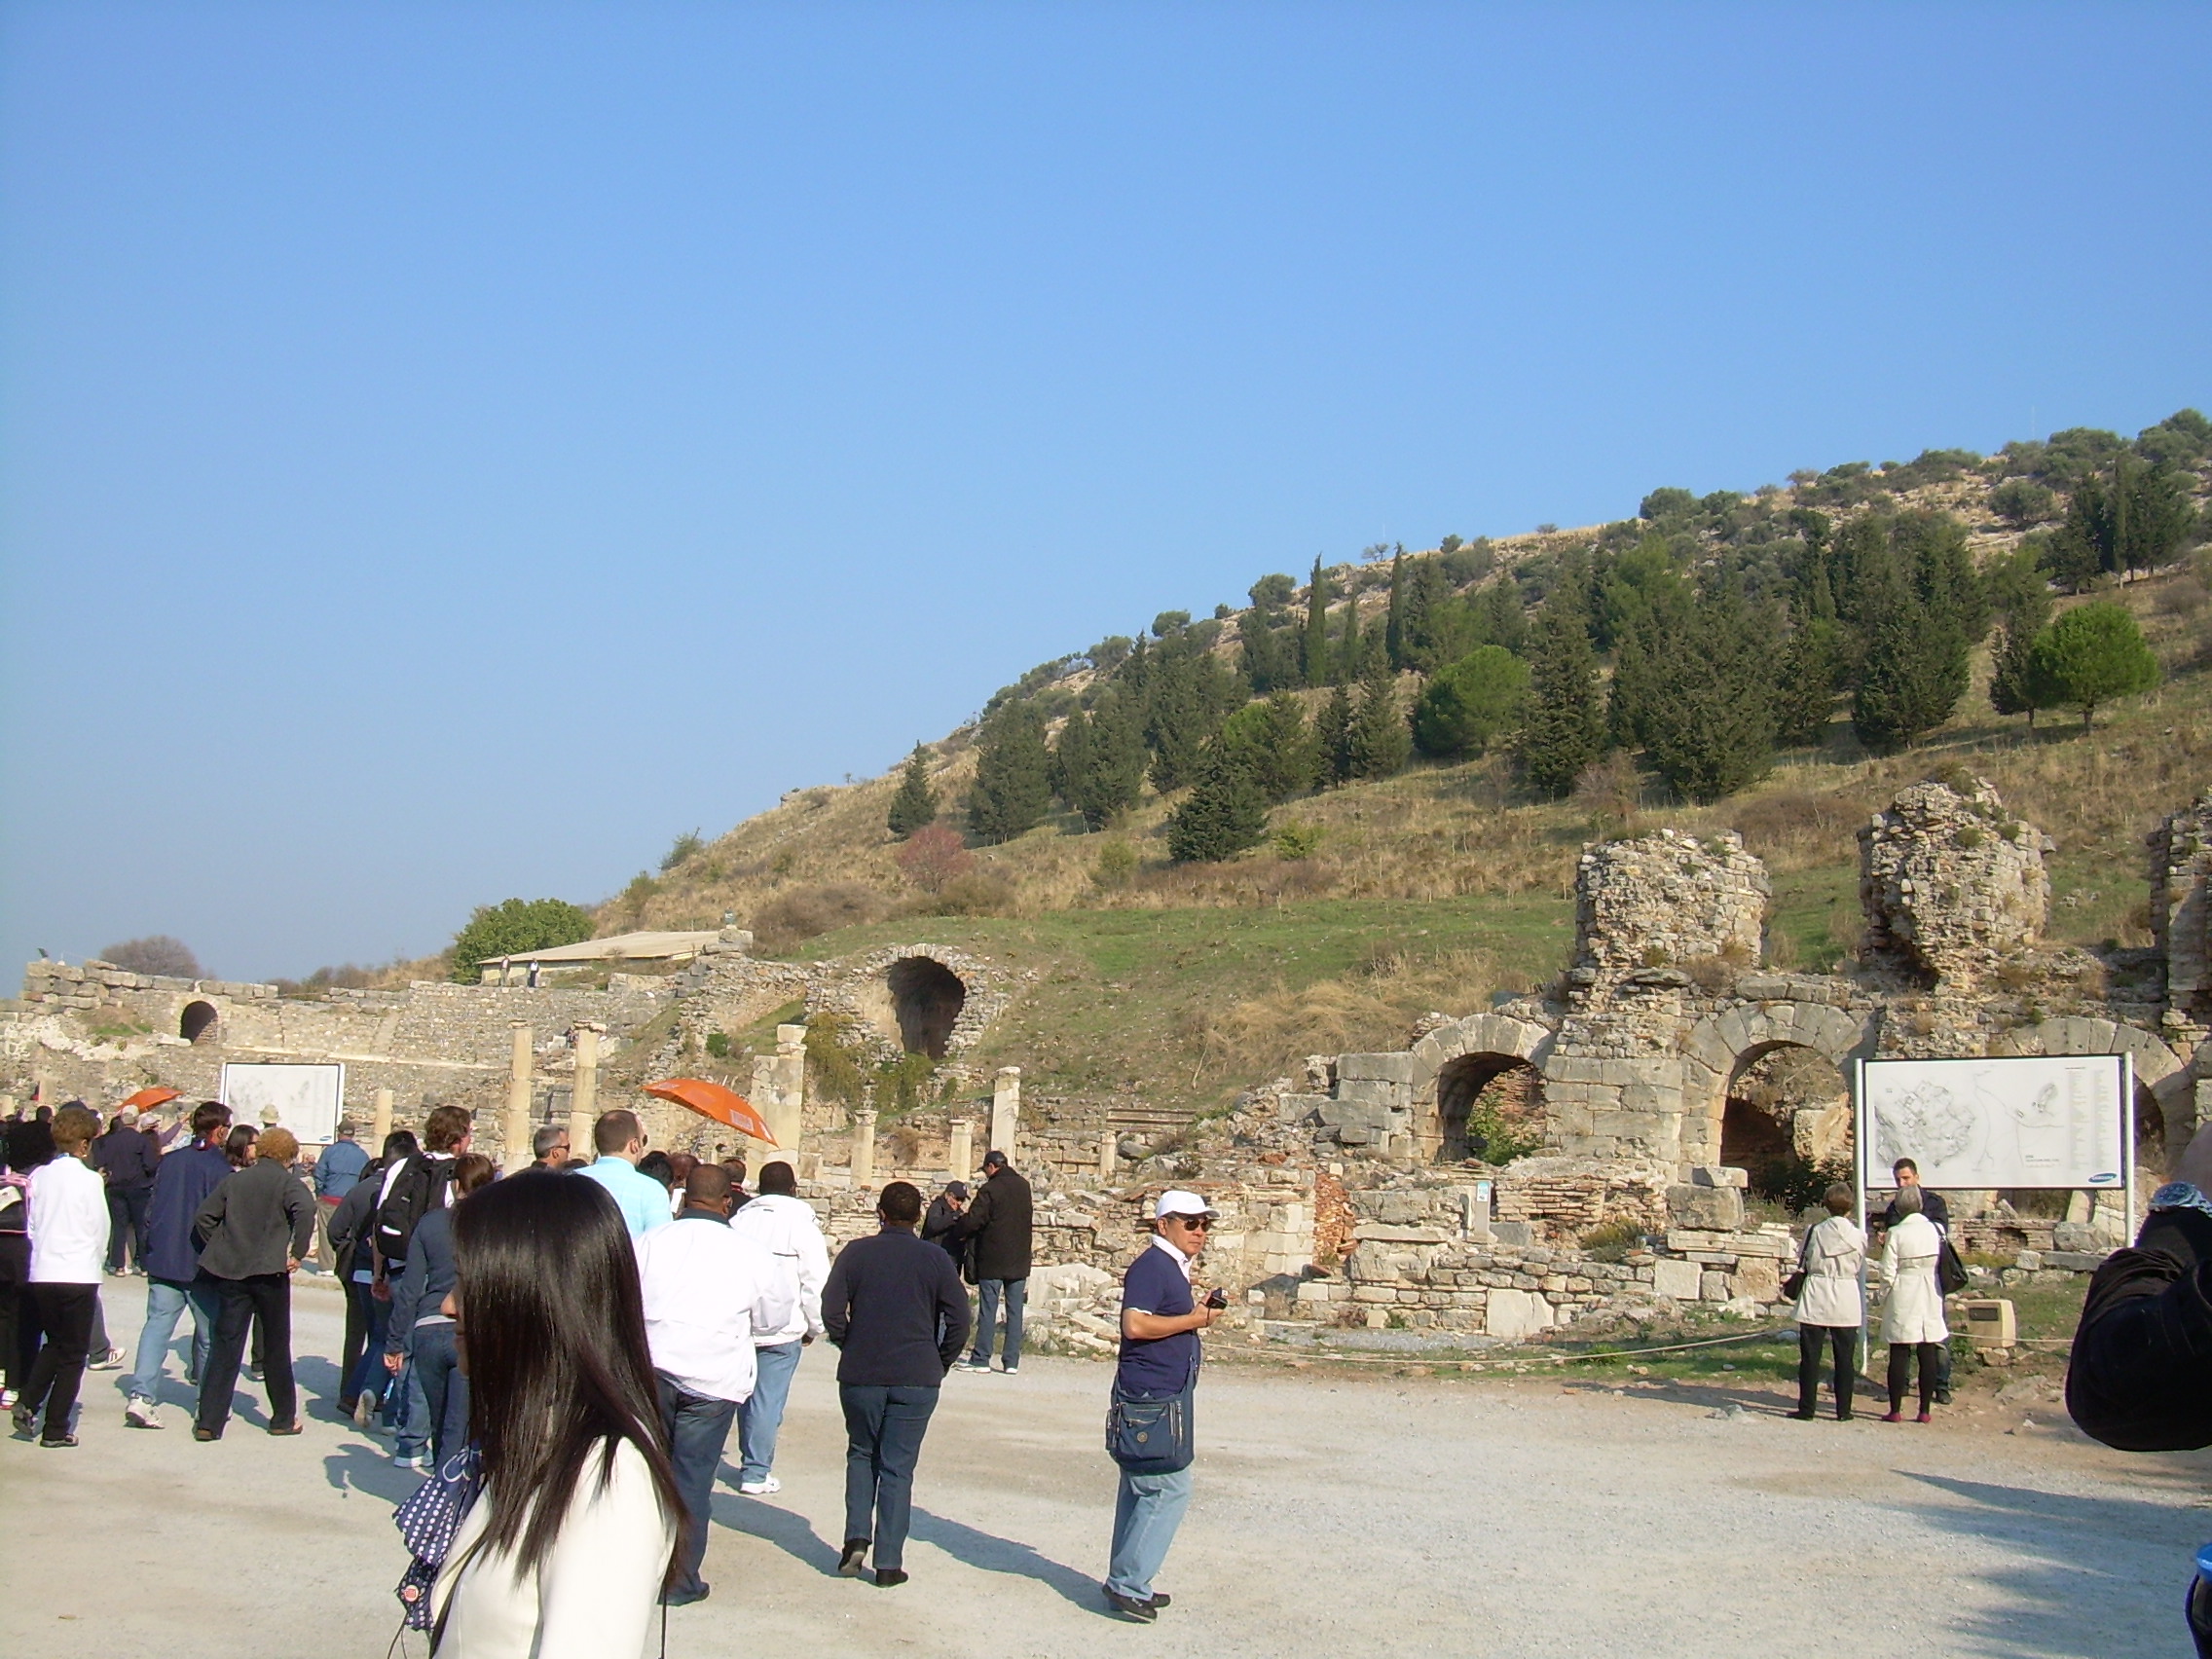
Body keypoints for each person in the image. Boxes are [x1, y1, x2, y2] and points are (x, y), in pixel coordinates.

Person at [428, 1170, 681, 1656]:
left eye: (467, 1283)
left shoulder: (608, 1478)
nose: (448, 1306)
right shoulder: (537, 1441)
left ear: (527, 1296)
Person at [635, 1164, 797, 1605]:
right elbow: (775, 1319)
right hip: (713, 1378)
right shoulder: (751, 1254)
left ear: (684, 1196)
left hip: (653, 1370)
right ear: (728, 1202)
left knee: (647, 1475)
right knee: (692, 1478)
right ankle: (680, 1579)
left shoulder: (649, 1243)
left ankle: (636, 1571)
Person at [821, 1180, 970, 1587]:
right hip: (916, 1375)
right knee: (898, 1467)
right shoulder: (935, 1258)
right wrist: (940, 1360)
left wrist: (849, 1342)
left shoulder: (856, 1253)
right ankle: (888, 1563)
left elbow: (831, 1309)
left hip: (862, 1372)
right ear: (919, 1216)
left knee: (861, 1453)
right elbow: (960, 1318)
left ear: (880, 1214)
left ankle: (856, 1537)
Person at [1102, 1189, 1219, 1622]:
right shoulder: (1153, 1266)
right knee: (1168, 1487)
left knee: (1142, 1487)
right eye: (1190, 1223)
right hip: (1151, 1395)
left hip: (1160, 1393)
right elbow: (1134, 1324)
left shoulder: (1169, 1266)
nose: (1199, 1231)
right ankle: (1128, 1583)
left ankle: (1129, 1579)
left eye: (1204, 1223)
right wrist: (1194, 1320)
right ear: (1163, 1224)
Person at [191, 1125, 316, 1440]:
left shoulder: (235, 1180)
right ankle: (282, 1418)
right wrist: (297, 1251)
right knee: (275, 1347)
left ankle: (209, 1421)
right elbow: (306, 1209)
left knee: (225, 1346)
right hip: (271, 1272)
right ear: (289, 1156)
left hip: (233, 1271)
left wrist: (221, 1245)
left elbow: (204, 1217)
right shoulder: (287, 1183)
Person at [124, 1101, 233, 1429]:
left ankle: (141, 1396)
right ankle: (207, 1402)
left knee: (156, 1328)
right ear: (220, 1130)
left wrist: (149, 1247)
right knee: (209, 1336)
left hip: (164, 1256)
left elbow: (151, 1208)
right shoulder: (220, 1169)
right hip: (201, 1263)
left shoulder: (170, 1161)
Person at [385, 1152, 495, 1471]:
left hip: (429, 1326)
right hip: (472, 1329)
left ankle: (439, 1481)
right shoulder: (495, 1226)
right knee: (459, 1429)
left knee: (438, 1423)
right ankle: (450, 1491)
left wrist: (395, 1342)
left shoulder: (431, 1223)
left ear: (456, 1184)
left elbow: (410, 1289)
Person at [726, 1158, 830, 1496]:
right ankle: (756, 1471)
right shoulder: (802, 1226)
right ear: (793, 1189)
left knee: (744, 1398)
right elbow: (815, 1281)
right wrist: (815, 1326)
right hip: (783, 1328)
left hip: (741, 1323)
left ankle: (749, 1460)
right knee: (768, 1401)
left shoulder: (739, 1221)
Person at [15, 1105, 109, 1446]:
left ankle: (29, 1399)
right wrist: (97, 1261)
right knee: (73, 1355)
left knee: (55, 1342)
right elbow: (100, 1228)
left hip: (44, 1271)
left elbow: (31, 1224)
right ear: (84, 1145)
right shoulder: (90, 1180)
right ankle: (56, 1427)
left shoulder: (40, 1176)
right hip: (78, 1272)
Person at [329, 1129, 414, 1422]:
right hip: (389, 1271)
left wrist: (346, 1249)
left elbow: (334, 1230)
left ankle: (350, 1392)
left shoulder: (360, 1189)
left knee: (360, 1335)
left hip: (360, 1272)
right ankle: (373, 1396)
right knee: (389, 1337)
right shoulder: (408, 1191)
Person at [950, 1150, 1032, 1375]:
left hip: (993, 1258)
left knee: (988, 1308)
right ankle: (1011, 1361)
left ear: (991, 1167)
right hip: (1019, 1259)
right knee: (1015, 1311)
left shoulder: (991, 1189)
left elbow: (975, 1220)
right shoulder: (1024, 1186)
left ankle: (981, 1358)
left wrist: (959, 1231)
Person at [1788, 1183, 1864, 1422]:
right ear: (1850, 1207)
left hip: (1817, 1290)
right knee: (1845, 1357)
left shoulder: (1815, 1231)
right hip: (1846, 1291)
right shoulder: (1859, 1235)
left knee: (1810, 1356)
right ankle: (1844, 1409)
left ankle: (1807, 1407)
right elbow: (1859, 1261)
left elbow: (1804, 1258)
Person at [1880, 1158, 1953, 1403]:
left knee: (1934, 1339)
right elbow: (1891, 1236)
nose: (1902, 1183)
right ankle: (1901, 1387)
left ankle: (1940, 1386)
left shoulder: (1934, 1203)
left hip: (1930, 1279)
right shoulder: (1894, 1207)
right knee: (1903, 1338)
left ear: (1917, 1177)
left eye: (1906, 1178)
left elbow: (1941, 1233)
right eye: (1898, 1180)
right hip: (1906, 1281)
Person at [577, 1110, 672, 1238]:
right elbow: (659, 1244)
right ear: (634, 1145)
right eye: (643, 1140)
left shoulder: (569, 1181)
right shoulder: (653, 1191)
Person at [93, 1106, 159, 1274]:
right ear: (136, 1121)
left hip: (116, 1186)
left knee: (119, 1226)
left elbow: (102, 1161)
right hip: (138, 1187)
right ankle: (144, 1265)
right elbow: (151, 1164)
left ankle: (118, 1265)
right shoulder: (141, 1140)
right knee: (140, 1226)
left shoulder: (111, 1140)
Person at [921, 1182, 969, 1267]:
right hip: (934, 1257)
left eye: (962, 1200)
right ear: (948, 1195)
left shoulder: (959, 1213)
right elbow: (934, 1225)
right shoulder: (937, 1207)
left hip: (952, 1258)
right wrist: (954, 1217)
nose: (959, 1203)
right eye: (957, 1199)